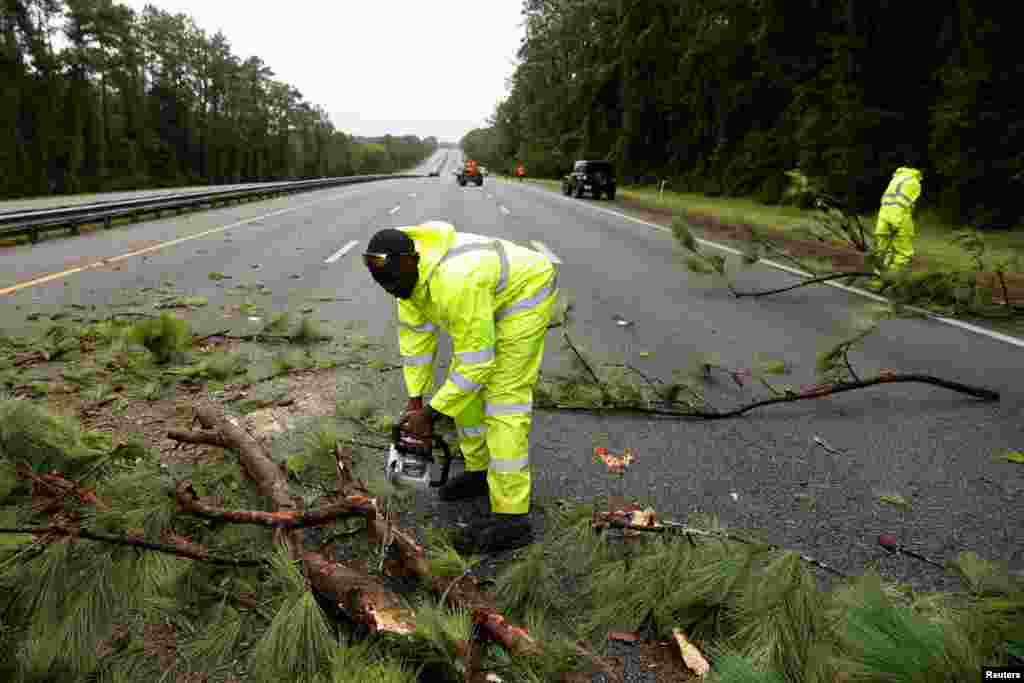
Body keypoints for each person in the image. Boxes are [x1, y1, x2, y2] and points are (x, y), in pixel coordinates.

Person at [363, 221, 558, 553]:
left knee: (503, 400)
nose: (393, 291)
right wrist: (415, 402)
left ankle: (512, 515)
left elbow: (478, 363)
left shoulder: (455, 280)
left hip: (524, 292)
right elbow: (416, 346)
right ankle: (481, 471)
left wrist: (431, 414)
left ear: (413, 261)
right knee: (462, 394)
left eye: (395, 283)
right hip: (484, 295)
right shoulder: (403, 282)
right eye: (386, 286)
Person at [874, 165, 923, 274]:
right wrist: (897, 221)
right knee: (904, 253)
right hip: (899, 217)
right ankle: (892, 278)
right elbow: (908, 203)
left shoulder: (896, 179)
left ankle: (876, 279)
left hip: (883, 217)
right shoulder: (914, 182)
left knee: (882, 251)